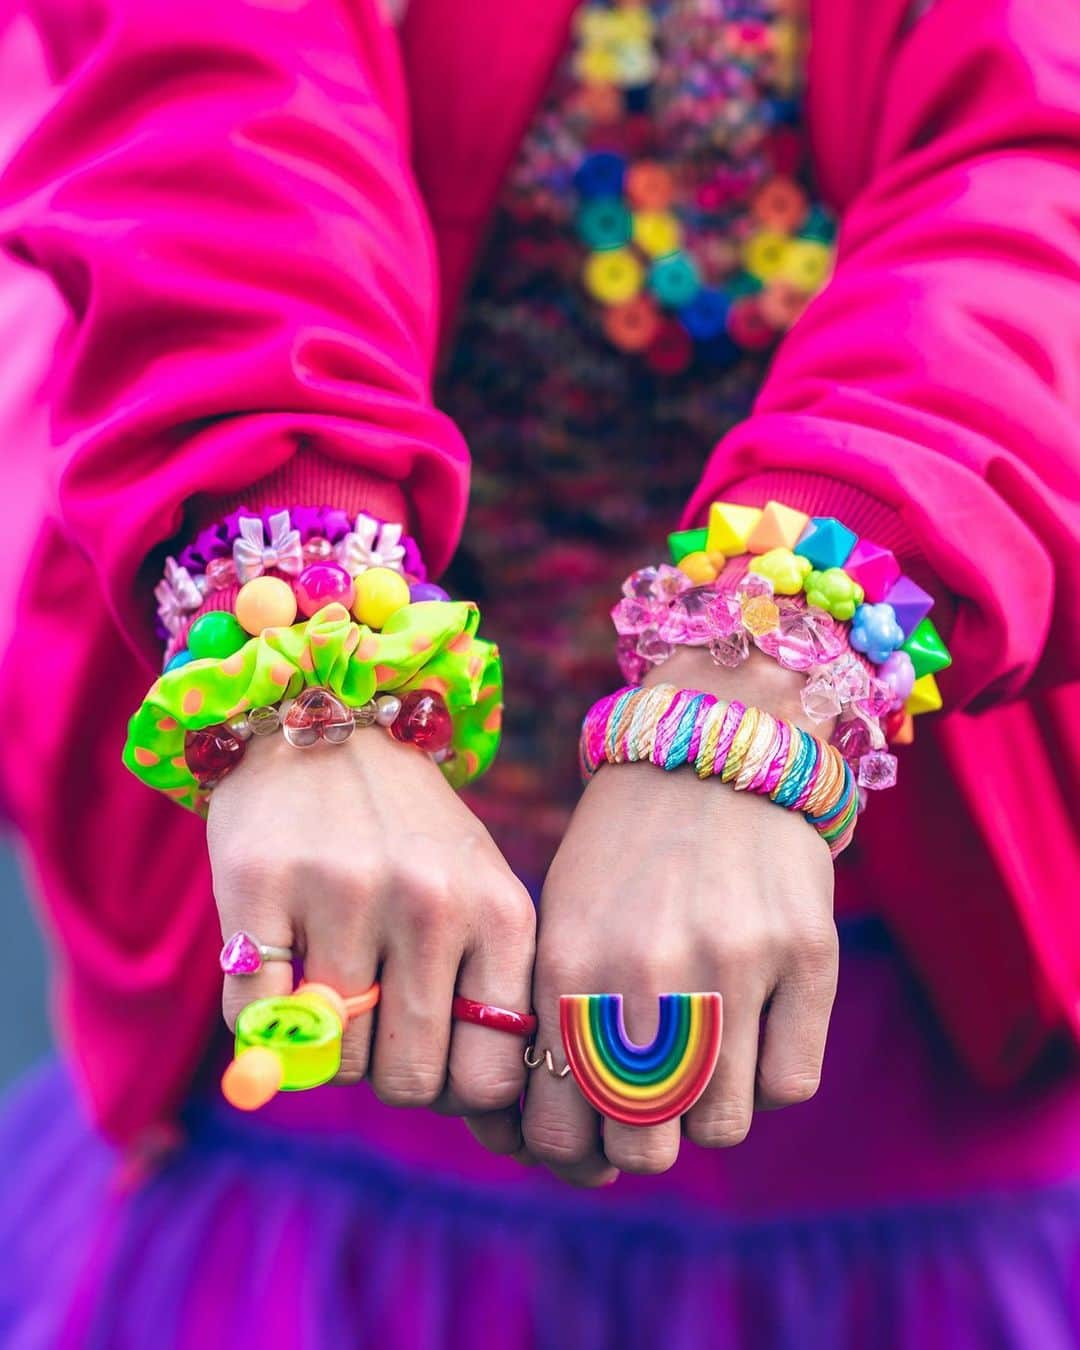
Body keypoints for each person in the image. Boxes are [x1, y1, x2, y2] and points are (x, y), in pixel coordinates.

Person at [0, 0, 1078, 1344]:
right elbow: (207, 124)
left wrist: (764, 686)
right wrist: (307, 663)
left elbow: (1041, 202)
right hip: (335, 943)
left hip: (925, 1003)